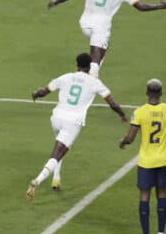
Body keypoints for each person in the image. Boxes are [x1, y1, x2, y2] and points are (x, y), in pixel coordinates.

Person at [25, 53, 127, 201]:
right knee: (57, 154)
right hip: (72, 122)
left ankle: (56, 178)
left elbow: (44, 91)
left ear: (77, 64)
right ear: (90, 65)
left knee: (60, 147)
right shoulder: (94, 82)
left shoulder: (65, 77)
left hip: (56, 118)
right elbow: (112, 104)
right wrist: (122, 115)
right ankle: (37, 181)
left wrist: (35, 94)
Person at [47, 0, 166, 78]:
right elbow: (140, 7)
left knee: (103, 46)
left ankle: (89, 72)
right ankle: (90, 78)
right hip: (101, 23)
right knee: (97, 52)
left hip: (85, 22)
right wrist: (159, 6)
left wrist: (55, 1)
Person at [119, 79, 166, 234]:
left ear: (147, 93)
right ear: (161, 93)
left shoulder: (140, 112)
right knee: (162, 194)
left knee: (144, 196)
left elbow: (131, 137)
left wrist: (123, 141)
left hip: (146, 161)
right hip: (164, 159)